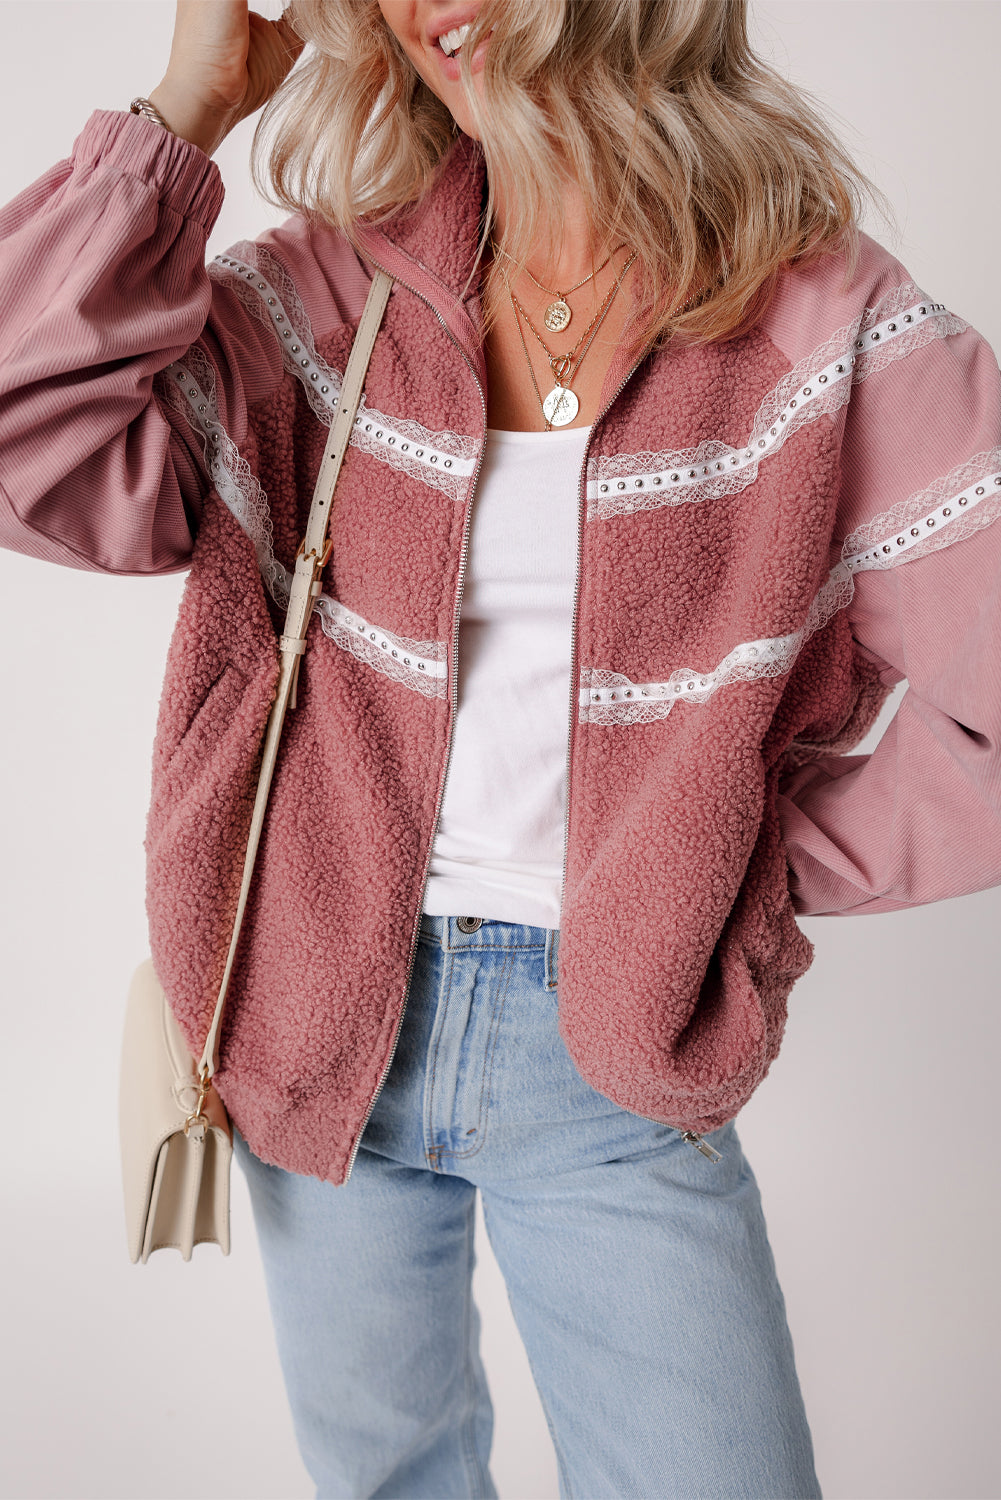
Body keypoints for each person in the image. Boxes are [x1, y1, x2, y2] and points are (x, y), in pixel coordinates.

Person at [1, 1, 999, 1496]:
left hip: (608, 1051)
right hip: (310, 1015)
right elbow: (25, 442)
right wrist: (180, 118)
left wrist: (728, 859)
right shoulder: (331, 294)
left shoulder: (818, 319)